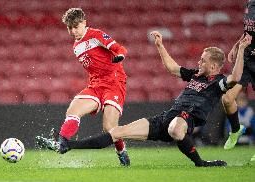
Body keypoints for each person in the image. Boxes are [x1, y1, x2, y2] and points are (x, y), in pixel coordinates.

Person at [37, 31, 251, 167]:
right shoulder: (196, 74)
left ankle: (200, 163)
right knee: (116, 132)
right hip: (166, 118)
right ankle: (67, 147)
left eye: (202, 61)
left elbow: (236, 78)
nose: (199, 62)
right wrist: (160, 46)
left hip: (186, 119)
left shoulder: (218, 81)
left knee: (177, 129)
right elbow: (173, 68)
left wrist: (241, 49)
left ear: (214, 66)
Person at [41, 8, 130, 166]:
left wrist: (120, 55)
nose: (73, 31)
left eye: (76, 26)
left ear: (84, 23)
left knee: (109, 127)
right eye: (70, 28)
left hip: (114, 83)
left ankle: (121, 151)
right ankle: (62, 143)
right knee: (73, 110)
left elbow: (119, 48)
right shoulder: (76, 46)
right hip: (95, 85)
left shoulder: (96, 35)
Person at [221, 0, 255, 150]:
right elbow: (248, 31)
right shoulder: (251, 4)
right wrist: (236, 46)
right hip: (247, 62)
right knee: (227, 98)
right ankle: (235, 130)